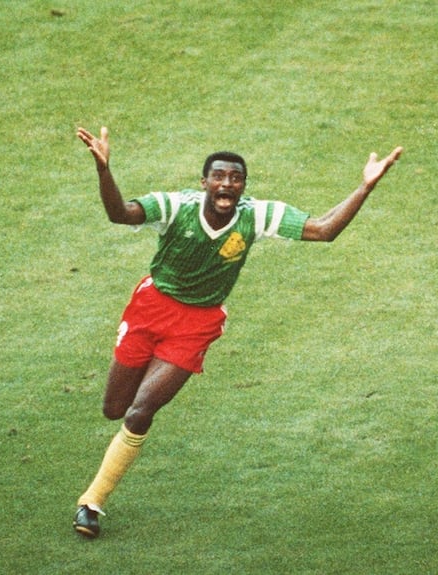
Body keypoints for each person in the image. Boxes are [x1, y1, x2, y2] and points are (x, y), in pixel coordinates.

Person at [72, 126, 402, 538]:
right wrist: (104, 169)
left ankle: (92, 502)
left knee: (141, 410)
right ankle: (97, 489)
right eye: (219, 177)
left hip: (197, 325)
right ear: (204, 183)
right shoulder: (176, 207)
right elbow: (119, 213)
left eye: (236, 178)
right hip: (150, 310)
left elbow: (324, 229)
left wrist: (365, 186)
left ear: (243, 186)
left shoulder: (256, 215)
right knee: (113, 408)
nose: (227, 184)